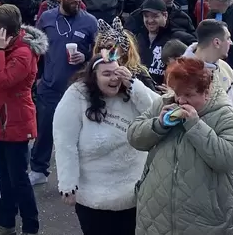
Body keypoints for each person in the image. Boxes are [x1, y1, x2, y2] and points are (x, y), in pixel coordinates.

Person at [126, 57, 233, 235]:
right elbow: (134, 136)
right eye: (177, 93)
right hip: (155, 217)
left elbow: (229, 158)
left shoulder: (225, 115)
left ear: (206, 92)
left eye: (189, 95)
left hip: (206, 221)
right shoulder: (164, 103)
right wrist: (158, 125)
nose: (181, 101)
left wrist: (196, 126)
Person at [53, 50, 158, 234]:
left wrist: (134, 85)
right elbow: (64, 141)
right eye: (106, 74)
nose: (114, 79)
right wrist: (67, 183)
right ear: (94, 77)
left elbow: (158, 113)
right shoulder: (77, 96)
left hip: (133, 196)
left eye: (116, 73)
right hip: (94, 199)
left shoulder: (132, 92)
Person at [0, 5, 48, 235]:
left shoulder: (23, 53)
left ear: (3, 30)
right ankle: (6, 222)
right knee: (4, 175)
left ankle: (30, 227)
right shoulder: (6, 47)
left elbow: (3, 80)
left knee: (19, 179)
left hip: (15, 120)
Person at [30, 0, 97, 186]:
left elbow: (98, 54)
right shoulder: (47, 18)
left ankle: (81, 173)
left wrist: (85, 57)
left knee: (80, 132)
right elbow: (37, 49)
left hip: (78, 88)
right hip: (50, 84)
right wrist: (38, 77)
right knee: (44, 128)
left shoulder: (90, 21)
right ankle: (38, 169)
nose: (77, 0)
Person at [127, 0, 197, 86]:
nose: (150, 20)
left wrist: (175, 90)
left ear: (165, 15)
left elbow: (198, 57)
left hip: (166, 95)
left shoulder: (177, 37)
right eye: (146, 16)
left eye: (155, 16)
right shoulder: (138, 38)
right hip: (141, 91)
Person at [182, 19, 233, 106]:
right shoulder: (181, 72)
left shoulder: (226, 68)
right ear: (217, 42)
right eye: (228, 38)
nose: (231, 43)